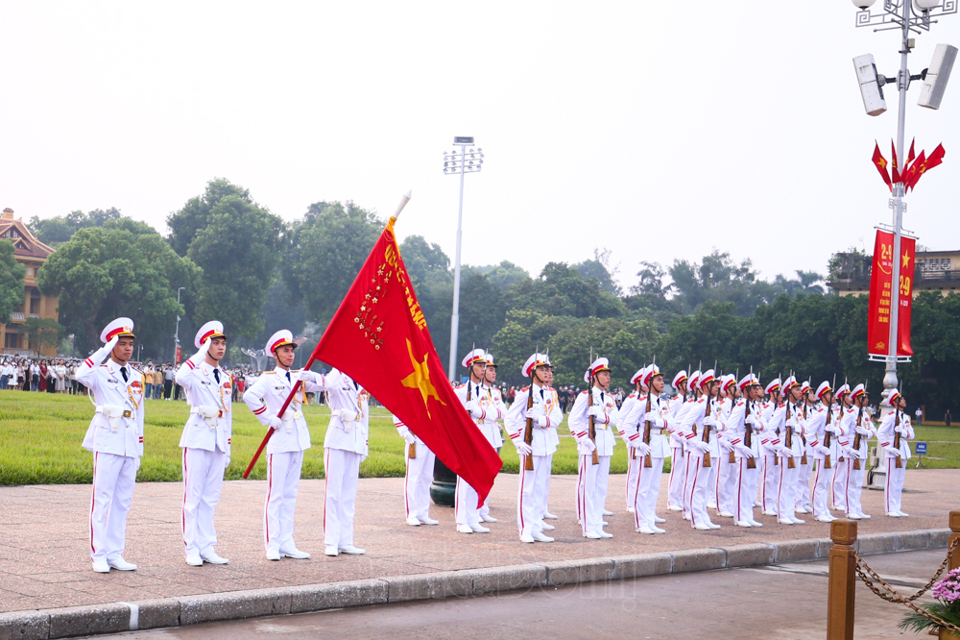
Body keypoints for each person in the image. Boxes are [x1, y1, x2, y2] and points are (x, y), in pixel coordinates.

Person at [243, 330, 325, 560]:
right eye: (285, 351)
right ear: (275, 354)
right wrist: (268, 418)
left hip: (298, 438)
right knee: (275, 494)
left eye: (291, 350)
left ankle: (287, 541)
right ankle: (272, 543)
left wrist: (311, 377)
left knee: (291, 493)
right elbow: (250, 396)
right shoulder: (269, 378)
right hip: (279, 438)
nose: (290, 355)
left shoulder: (298, 376)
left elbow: (323, 386)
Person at [76, 317, 144, 573]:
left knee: (123, 501)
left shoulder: (138, 375)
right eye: (122, 343)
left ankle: (115, 552)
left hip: (129, 441)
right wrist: (104, 349)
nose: (128, 348)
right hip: (108, 439)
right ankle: (98, 554)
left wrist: (139, 447)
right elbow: (80, 373)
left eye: (130, 344)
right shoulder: (101, 373)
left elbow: (140, 412)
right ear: (113, 345)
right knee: (102, 499)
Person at [175, 321, 233, 566]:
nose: (220, 348)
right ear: (205, 346)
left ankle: (207, 546)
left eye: (222, 343)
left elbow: (228, 413)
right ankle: (191, 547)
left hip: (218, 439)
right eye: (215, 343)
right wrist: (200, 352)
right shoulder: (196, 373)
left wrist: (228, 445)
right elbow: (179, 377)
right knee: (193, 497)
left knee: (211, 498)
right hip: (198, 437)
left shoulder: (226, 377)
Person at [505, 353, 561, 543]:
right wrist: (518, 441)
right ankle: (526, 529)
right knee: (527, 489)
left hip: (547, 444)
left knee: (540, 488)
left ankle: (536, 527)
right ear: (533, 372)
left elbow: (557, 418)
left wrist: (541, 419)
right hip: (531, 444)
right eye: (543, 369)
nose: (547, 372)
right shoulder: (525, 394)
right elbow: (510, 418)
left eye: (548, 369)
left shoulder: (551, 393)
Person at [314, 366, 369, 557]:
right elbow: (326, 385)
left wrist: (365, 443)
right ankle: (331, 540)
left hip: (355, 439)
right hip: (338, 438)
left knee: (349, 495)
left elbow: (365, 415)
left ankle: (346, 540)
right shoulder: (337, 375)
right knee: (333, 493)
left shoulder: (360, 380)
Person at [569, 357, 620, 539]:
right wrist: (583, 439)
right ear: (595, 377)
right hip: (590, 444)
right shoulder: (585, 396)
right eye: (604, 375)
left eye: (608, 375)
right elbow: (573, 420)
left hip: (605, 442)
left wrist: (602, 415)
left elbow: (616, 420)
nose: (608, 378)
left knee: (601, 487)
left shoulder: (608, 398)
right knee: (587, 486)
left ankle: (598, 524)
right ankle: (588, 525)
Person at [453, 349, 497, 534]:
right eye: (479, 366)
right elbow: (453, 415)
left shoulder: (487, 391)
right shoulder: (461, 391)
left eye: (484, 366)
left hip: (484, 434)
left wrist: (479, 412)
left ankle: (473, 517)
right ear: (471, 368)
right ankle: (462, 519)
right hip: (468, 437)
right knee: (465, 480)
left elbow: (495, 414)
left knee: (477, 479)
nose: (483, 369)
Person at [624, 364, 669, 534]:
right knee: (643, 487)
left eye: (662, 379)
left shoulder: (663, 402)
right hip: (646, 445)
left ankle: (650, 520)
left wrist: (658, 421)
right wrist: (637, 443)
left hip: (660, 444)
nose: (662, 382)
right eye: (658, 380)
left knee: (654, 487)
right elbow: (628, 424)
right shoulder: (643, 402)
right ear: (649, 383)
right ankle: (642, 522)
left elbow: (672, 423)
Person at [679, 369, 720, 530]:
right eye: (713, 384)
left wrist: (716, 424)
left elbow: (725, 425)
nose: (717, 387)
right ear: (704, 387)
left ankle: (704, 514)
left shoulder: (714, 405)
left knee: (709, 485)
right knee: (699, 484)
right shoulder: (700, 405)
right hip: (701, 448)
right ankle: (696, 517)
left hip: (713, 447)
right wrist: (695, 442)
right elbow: (684, 425)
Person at [728, 373, 762, 528]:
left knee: (751, 484)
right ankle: (740, 516)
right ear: (746, 390)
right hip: (744, 449)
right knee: (742, 484)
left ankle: (748, 514)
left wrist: (757, 424)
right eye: (754, 388)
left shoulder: (755, 406)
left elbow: (766, 426)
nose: (757, 391)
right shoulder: (741, 407)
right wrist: (740, 446)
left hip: (755, 447)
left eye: (757, 388)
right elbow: (729, 429)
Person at [394, 414, 439, 526]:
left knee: (426, 478)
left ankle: (423, 513)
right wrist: (404, 431)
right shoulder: (409, 395)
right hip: (415, 438)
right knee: (413, 478)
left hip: (430, 438)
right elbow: (397, 409)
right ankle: (412, 514)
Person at [481, 353, 507, 523]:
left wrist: (489, 414)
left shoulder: (495, 392)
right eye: (490, 370)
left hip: (491, 432)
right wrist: (491, 414)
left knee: (489, 474)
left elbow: (503, 412)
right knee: (478, 472)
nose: (493, 373)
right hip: (481, 431)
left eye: (493, 370)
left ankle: (484, 509)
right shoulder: (474, 390)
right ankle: (475, 509)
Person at [879, 389, 914, 517]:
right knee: (891, 481)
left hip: (903, 450)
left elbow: (912, 435)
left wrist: (903, 432)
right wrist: (888, 448)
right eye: (901, 399)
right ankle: (890, 508)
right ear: (895, 402)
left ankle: (897, 507)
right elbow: (881, 433)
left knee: (899, 481)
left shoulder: (905, 417)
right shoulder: (890, 416)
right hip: (893, 450)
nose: (904, 401)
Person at [842, 384, 874, 520]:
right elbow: (842, 433)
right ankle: (850, 509)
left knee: (858, 481)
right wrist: (848, 449)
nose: (867, 400)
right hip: (852, 451)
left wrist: (866, 432)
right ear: (856, 399)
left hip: (862, 449)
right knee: (851, 481)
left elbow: (874, 431)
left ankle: (857, 508)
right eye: (864, 397)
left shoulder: (866, 414)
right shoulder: (849, 414)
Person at [808, 381, 838, 523]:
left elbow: (842, 429)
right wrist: (819, 447)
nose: (834, 397)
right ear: (823, 397)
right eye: (830, 394)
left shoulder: (833, 413)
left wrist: (835, 430)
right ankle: (818, 511)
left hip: (833, 449)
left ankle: (824, 509)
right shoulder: (820, 414)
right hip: (822, 450)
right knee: (820, 482)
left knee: (826, 482)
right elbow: (809, 433)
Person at [619, 367, 647, 514]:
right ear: (638, 383)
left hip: (646, 440)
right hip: (634, 439)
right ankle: (631, 502)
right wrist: (628, 439)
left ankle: (641, 503)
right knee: (634, 472)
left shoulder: (648, 400)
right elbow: (621, 420)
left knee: (644, 472)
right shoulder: (631, 400)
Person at [666, 370, 689, 512]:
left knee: (685, 472)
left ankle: (681, 499)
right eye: (686, 383)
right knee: (677, 472)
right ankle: (672, 500)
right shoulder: (675, 402)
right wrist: (679, 437)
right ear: (680, 385)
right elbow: (671, 423)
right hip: (677, 442)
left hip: (687, 441)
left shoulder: (690, 402)